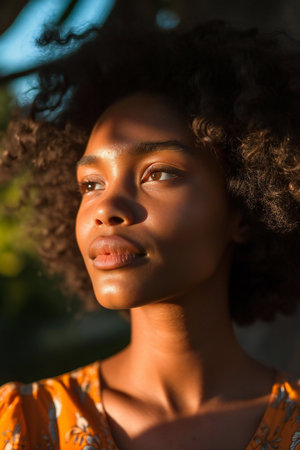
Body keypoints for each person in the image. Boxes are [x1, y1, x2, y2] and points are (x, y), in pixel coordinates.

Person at [0, 20, 299, 450]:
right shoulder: (22, 426)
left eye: (157, 173)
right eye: (91, 184)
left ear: (245, 211)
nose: (106, 208)